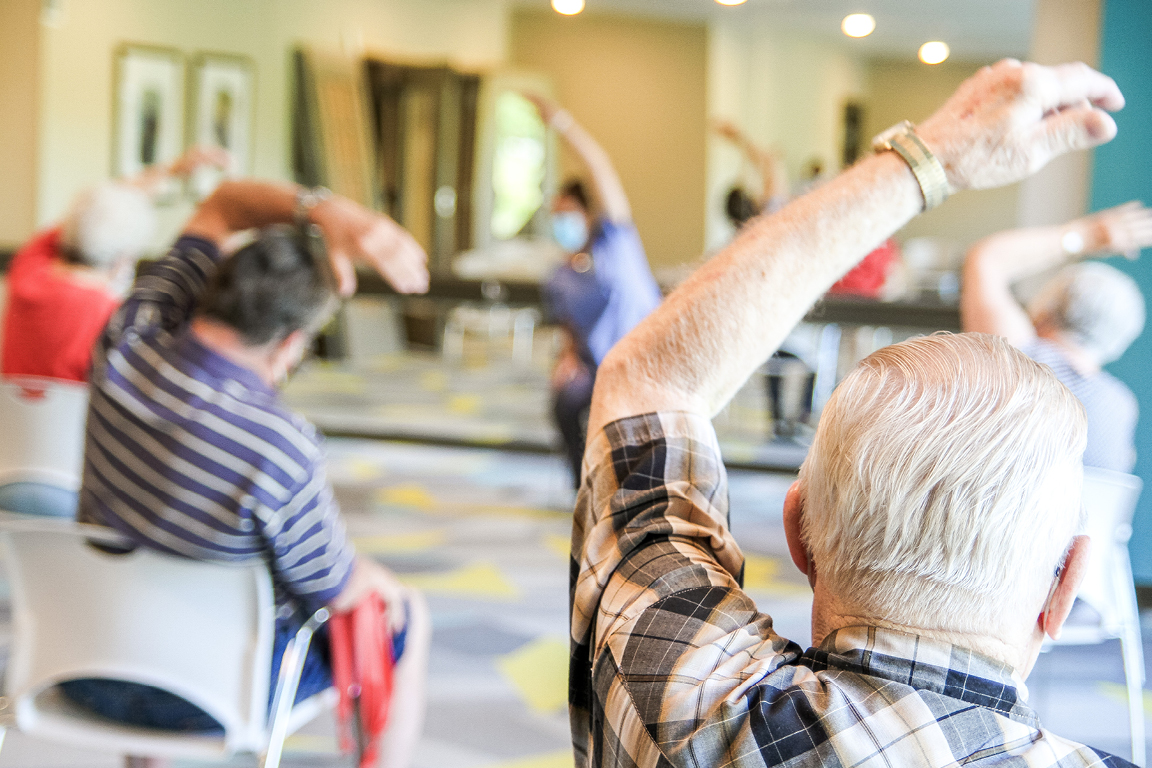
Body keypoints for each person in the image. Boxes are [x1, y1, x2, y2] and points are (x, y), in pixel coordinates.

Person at [570, 59, 1133, 767]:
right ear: (1067, 584)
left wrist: (932, 158)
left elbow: (650, 380)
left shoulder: (684, 700)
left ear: (798, 533)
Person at [73, 179, 431, 768]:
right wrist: (377, 580)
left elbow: (220, 206)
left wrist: (329, 212)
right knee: (404, 614)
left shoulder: (125, 337)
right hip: (210, 694)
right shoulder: (279, 447)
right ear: (289, 345)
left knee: (158, 562)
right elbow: (333, 589)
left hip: (88, 660)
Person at [524, 94, 663, 487]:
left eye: (568, 213)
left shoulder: (615, 241)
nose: (561, 222)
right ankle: (583, 486)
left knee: (636, 434)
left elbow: (600, 168)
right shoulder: (560, 275)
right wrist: (566, 359)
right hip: (596, 365)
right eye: (556, 216)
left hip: (645, 359)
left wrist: (561, 122)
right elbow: (569, 328)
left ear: (588, 214)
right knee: (566, 402)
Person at [1, 147, 229, 383]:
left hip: (12, 418)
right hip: (86, 420)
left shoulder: (25, 273)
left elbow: (89, 213)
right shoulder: (116, 317)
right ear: (124, 259)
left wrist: (170, 169)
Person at [962, 202, 1151, 471]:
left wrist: (1087, 235)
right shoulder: (1120, 406)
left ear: (1045, 311)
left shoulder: (1020, 359)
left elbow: (986, 257)